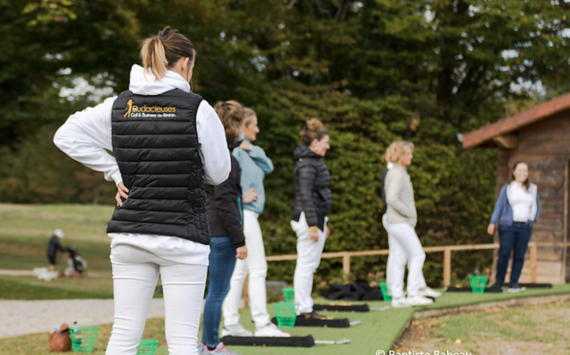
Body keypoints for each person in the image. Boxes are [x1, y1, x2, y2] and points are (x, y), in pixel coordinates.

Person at [54, 26, 230, 355]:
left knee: (123, 336)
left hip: (129, 236)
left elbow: (66, 135)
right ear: (185, 64)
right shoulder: (197, 109)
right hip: (183, 239)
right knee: (181, 341)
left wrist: (114, 169)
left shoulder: (120, 105)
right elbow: (219, 174)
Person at [222, 108, 289, 337]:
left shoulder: (251, 150)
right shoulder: (235, 152)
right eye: (255, 125)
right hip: (245, 214)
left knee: (239, 272)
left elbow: (268, 167)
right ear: (244, 127)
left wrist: (250, 148)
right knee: (258, 269)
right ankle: (262, 324)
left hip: (250, 214)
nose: (258, 129)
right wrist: (241, 198)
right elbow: (225, 182)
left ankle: (230, 324)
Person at [199, 100, 249, 355]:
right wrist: (239, 240)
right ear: (237, 126)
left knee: (209, 292)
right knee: (217, 292)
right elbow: (225, 203)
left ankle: (205, 343)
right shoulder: (226, 160)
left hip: (204, 230)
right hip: (220, 234)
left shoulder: (206, 153)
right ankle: (210, 344)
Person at [382, 141, 441, 308]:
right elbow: (391, 198)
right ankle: (413, 293)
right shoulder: (397, 174)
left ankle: (398, 297)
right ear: (400, 155)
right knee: (418, 254)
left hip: (397, 222)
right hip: (399, 222)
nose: (411, 157)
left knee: (400, 258)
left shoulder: (399, 172)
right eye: (408, 154)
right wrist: (409, 212)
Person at [291, 118, 332, 318]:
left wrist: (323, 223)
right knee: (306, 264)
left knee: (310, 264)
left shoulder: (313, 161)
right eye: (326, 142)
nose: (328, 146)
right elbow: (305, 195)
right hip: (307, 220)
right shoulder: (307, 163)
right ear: (315, 143)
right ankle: (303, 308)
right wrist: (314, 225)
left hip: (315, 219)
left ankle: (305, 305)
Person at [488, 161, 540, 293]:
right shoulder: (508, 188)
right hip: (508, 226)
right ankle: (499, 283)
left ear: (527, 173)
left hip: (525, 227)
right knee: (504, 253)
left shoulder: (532, 189)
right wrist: (493, 222)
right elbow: (499, 206)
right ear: (514, 172)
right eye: (520, 170)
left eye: (525, 171)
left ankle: (514, 283)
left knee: (519, 255)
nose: (522, 173)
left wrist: (532, 219)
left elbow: (536, 207)